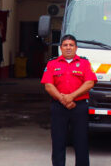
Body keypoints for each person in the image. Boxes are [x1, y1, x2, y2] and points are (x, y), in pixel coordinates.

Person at [41, 34, 97, 166]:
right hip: (58, 107)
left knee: (81, 140)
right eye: (65, 45)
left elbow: (89, 83)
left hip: (79, 107)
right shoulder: (52, 63)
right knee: (58, 140)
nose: (68, 48)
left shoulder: (84, 63)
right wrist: (63, 99)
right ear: (60, 48)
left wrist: (71, 97)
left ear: (76, 48)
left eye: (71, 45)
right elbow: (48, 85)